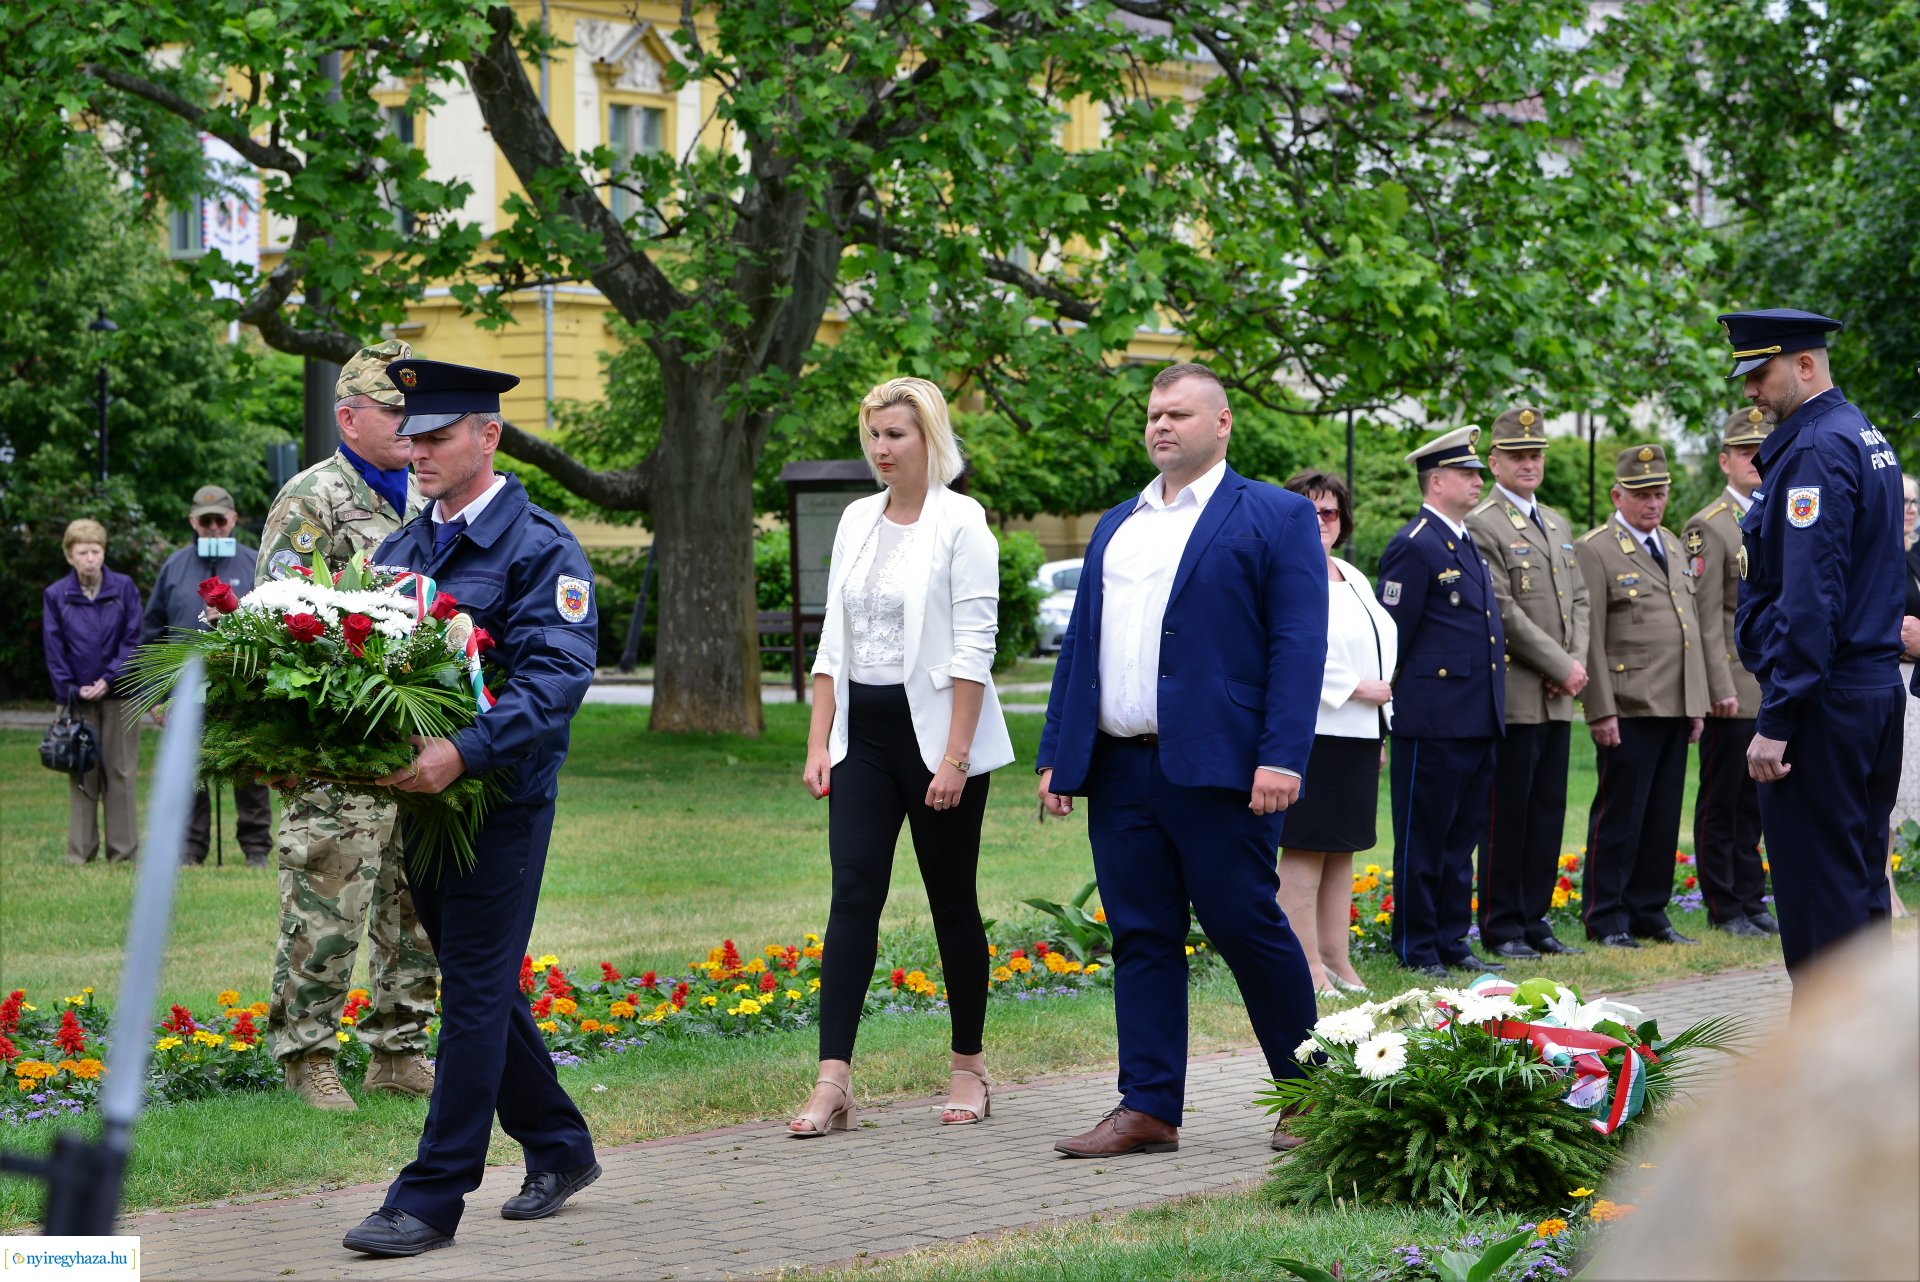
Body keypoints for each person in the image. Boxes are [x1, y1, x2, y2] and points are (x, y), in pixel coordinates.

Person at [341, 359, 600, 1258]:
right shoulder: (404, 550)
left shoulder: (541, 548)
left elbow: (555, 681)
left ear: (488, 436)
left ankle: (429, 1197)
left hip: (502, 805)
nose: (417, 451)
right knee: (481, 987)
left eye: (438, 436)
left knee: (477, 994)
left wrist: (462, 753)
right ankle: (562, 1148)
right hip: (425, 808)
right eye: (410, 435)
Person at [1037, 363, 1323, 1158]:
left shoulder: (1276, 515)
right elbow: (1080, 649)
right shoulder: (1116, 524)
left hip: (1225, 771)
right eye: (1155, 415)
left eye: (1180, 414)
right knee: (1140, 935)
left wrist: (1282, 757)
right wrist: (1059, 754)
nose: (1162, 426)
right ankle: (1149, 1108)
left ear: (1223, 423)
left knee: (1246, 925)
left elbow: (1299, 646)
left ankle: (1311, 1094)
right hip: (1122, 769)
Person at [794, 377, 1016, 1136]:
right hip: (865, 738)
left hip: (940, 742)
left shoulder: (963, 522)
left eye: (896, 435)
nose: (881, 449)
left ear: (930, 438)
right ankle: (833, 1082)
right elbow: (833, 639)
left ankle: (969, 1068)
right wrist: (820, 739)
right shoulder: (858, 518)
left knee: (952, 901)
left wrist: (955, 760)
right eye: (874, 436)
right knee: (852, 895)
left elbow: (973, 649)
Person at [259, 341, 438, 1112]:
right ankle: (308, 1059)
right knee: (328, 903)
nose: (409, 424)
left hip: (419, 745)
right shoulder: (313, 498)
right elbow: (276, 625)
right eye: (394, 410)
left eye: (415, 409)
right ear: (348, 417)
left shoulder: (430, 495)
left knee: (415, 907)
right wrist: (287, 751)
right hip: (336, 752)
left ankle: (399, 1050)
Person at [1724, 308, 1903, 982]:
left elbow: (1809, 600)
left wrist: (1778, 720)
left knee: (1821, 899)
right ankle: (1873, 1059)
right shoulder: (1862, 433)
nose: (1750, 392)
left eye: (1760, 374)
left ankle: (1828, 1077)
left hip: (1825, 702)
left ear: (1805, 365)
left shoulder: (1814, 448)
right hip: (1869, 693)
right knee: (1857, 891)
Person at [1375, 425, 1508, 980]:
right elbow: (1393, 638)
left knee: (1460, 841)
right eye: (1467, 473)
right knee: (1425, 840)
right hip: (1431, 720)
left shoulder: (1463, 539)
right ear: (1436, 480)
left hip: (1475, 717)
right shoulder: (1414, 544)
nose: (1478, 481)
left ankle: (1452, 938)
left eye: (1477, 472)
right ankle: (1416, 943)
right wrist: (1387, 715)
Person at [1466, 406, 1591, 960]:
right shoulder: (1481, 522)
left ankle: (1535, 917)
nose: (1529, 463)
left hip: (1560, 695)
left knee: (1547, 810)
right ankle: (1502, 923)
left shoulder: (1558, 523)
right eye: (1517, 455)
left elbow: (1580, 601)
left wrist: (1576, 662)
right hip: (1519, 693)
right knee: (1507, 813)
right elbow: (1504, 612)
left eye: (1536, 454)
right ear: (1494, 461)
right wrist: (1560, 667)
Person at [1574, 445, 1709, 948]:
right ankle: (1605, 916)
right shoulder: (1596, 548)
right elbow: (1590, 635)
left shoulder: (1672, 544)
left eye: (1660, 493)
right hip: (1628, 704)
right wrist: (1601, 708)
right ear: (1618, 495)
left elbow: (1687, 628)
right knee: (1620, 815)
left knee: (1661, 815)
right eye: (1642, 494)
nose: (1653, 503)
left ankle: (1649, 911)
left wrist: (1695, 704)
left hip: (1674, 703)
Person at [1275, 470, 1396, 998]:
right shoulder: (1281, 573)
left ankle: (1337, 962)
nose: (1321, 521)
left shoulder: (1350, 573)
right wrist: (1354, 689)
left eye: (1329, 512)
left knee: (1342, 850)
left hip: (1358, 734)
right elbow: (1286, 650)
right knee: (1304, 851)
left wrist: (1379, 728)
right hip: (1314, 729)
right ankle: (1305, 969)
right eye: (1308, 511)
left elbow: (1374, 642)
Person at [1682, 407, 1781, 938]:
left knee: (1756, 803)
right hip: (1731, 685)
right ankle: (1725, 904)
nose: (1754, 460)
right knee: (1722, 801)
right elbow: (1702, 616)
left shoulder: (1776, 511)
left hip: (1771, 685)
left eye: (1761, 451)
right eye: (1745, 452)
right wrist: (1716, 688)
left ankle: (1751, 898)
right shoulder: (1709, 525)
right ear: (1725, 460)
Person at [140, 484, 274, 866]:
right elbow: (152, 635)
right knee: (190, 768)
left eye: (220, 520)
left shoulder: (253, 562)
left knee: (249, 765)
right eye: (205, 520)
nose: (213, 527)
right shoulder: (174, 567)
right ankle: (191, 848)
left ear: (233, 520)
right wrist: (155, 697)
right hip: (185, 688)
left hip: (243, 686)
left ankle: (255, 848)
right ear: (193, 522)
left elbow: (273, 623)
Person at [43, 518, 143, 864]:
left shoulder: (124, 587)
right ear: (69, 556)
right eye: (82, 552)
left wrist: (109, 678)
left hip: (119, 696)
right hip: (75, 700)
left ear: (104, 552)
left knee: (122, 773)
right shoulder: (56, 594)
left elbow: (133, 639)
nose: (90, 558)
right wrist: (72, 687)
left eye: (96, 551)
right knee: (81, 772)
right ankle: (80, 853)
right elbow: (53, 648)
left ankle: (125, 854)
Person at [1889, 472, 1920, 920]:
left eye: (1915, 502)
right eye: (1903, 500)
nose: (1910, 509)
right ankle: (1884, 884)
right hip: (1893, 680)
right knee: (1889, 796)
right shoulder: (1877, 556)